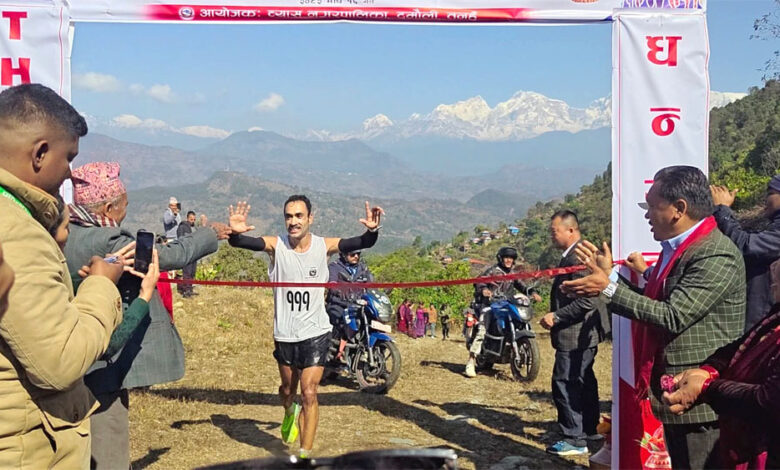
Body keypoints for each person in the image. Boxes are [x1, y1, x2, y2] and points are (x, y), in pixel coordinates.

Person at [563, 165, 746, 470]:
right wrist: (610, 278)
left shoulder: (714, 253)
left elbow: (673, 315)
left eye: (651, 206)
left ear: (679, 209)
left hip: (699, 401)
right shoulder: (677, 250)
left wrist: (608, 288)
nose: (647, 215)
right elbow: (654, 302)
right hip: (677, 394)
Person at [65, 161, 229, 469]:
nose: (125, 212)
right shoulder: (111, 241)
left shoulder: (63, 233)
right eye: (124, 206)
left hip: (66, 359)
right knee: (108, 448)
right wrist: (211, 234)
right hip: (102, 360)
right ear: (109, 207)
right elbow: (170, 255)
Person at [0, 83, 125, 468]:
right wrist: (101, 285)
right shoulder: (15, 232)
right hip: (29, 451)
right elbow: (59, 362)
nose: (70, 173)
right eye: (68, 157)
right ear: (40, 153)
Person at [227, 196, 383, 458]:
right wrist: (235, 235)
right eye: (289, 216)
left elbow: (361, 242)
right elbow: (246, 243)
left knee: (309, 391)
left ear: (310, 218)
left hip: (316, 332)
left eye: (299, 216)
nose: (293, 221)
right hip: (285, 334)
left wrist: (372, 231)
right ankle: (289, 410)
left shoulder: (324, 246)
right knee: (288, 391)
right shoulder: (277, 245)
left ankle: (304, 455)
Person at [662, 258, 780, 469]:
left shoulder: (716, 255)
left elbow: (768, 401)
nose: (772, 284)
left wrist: (707, 388)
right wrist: (708, 371)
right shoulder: (776, 314)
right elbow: (748, 342)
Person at [539, 210, 610, 456]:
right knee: (584, 380)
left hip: (576, 333)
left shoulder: (579, 256)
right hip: (579, 334)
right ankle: (590, 428)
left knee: (566, 383)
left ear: (571, 230)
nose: (552, 236)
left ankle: (574, 438)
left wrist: (556, 316)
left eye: (555, 231)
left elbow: (588, 300)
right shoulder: (572, 255)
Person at [710, 178, 780, 331]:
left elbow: (746, 246)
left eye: (770, 193)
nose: (766, 200)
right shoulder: (772, 225)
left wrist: (722, 210)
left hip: (764, 321)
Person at [465, 246, 541, 378]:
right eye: (506, 257)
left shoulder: (513, 274)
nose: (508, 260)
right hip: (490, 304)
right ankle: (471, 361)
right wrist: (484, 290)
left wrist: (532, 292)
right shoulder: (493, 271)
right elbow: (480, 281)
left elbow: (522, 285)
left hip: (506, 304)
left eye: (511, 258)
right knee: (483, 329)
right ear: (501, 258)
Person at [326, 249, 374, 356]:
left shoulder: (363, 268)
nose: (356, 256)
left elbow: (370, 285)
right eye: (352, 254)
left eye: (358, 254)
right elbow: (332, 283)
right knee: (340, 320)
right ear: (344, 255)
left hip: (358, 305)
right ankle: (336, 351)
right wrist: (338, 291)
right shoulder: (334, 267)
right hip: (339, 304)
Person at [177, 210, 199, 298]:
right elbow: (180, 239)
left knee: (192, 272)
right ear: (187, 218)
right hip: (187, 253)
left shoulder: (194, 228)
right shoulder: (182, 227)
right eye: (191, 219)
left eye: (194, 219)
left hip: (194, 253)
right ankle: (186, 291)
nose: (192, 221)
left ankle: (190, 289)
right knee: (187, 272)